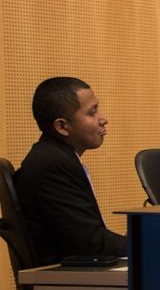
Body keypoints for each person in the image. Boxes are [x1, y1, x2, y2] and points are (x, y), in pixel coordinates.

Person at [14, 77, 126, 266]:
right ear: (62, 126)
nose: (103, 119)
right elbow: (92, 244)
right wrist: (146, 244)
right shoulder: (53, 165)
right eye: (92, 112)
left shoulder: (55, 156)